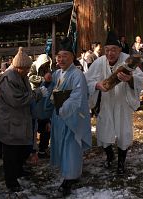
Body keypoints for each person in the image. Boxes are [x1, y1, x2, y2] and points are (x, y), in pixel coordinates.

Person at [85, 31, 143, 174]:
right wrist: (97, 85)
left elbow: (141, 80)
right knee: (103, 130)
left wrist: (130, 79)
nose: (110, 53)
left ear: (119, 50)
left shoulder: (127, 60)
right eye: (107, 50)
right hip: (105, 102)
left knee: (123, 132)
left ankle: (121, 163)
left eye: (113, 50)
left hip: (122, 102)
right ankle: (110, 155)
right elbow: (87, 80)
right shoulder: (99, 62)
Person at [0, 47, 45, 192]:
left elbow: (26, 93)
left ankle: (18, 171)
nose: (29, 70)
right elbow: (17, 100)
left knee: (20, 150)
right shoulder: (8, 78)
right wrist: (37, 94)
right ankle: (11, 181)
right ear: (19, 67)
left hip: (20, 121)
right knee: (10, 154)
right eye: (27, 68)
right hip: (9, 123)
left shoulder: (21, 76)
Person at [48, 37, 91, 196]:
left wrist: (62, 109)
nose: (61, 59)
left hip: (72, 118)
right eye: (59, 55)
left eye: (65, 55)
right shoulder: (57, 73)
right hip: (59, 118)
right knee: (63, 147)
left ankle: (69, 179)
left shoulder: (77, 74)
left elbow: (77, 97)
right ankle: (71, 173)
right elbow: (51, 90)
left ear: (73, 56)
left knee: (71, 147)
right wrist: (46, 82)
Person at [28, 54, 53, 158]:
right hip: (34, 96)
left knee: (45, 124)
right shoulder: (33, 66)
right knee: (34, 126)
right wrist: (43, 79)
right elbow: (30, 77)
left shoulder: (48, 68)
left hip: (45, 98)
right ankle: (32, 149)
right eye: (44, 64)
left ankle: (43, 148)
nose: (46, 66)